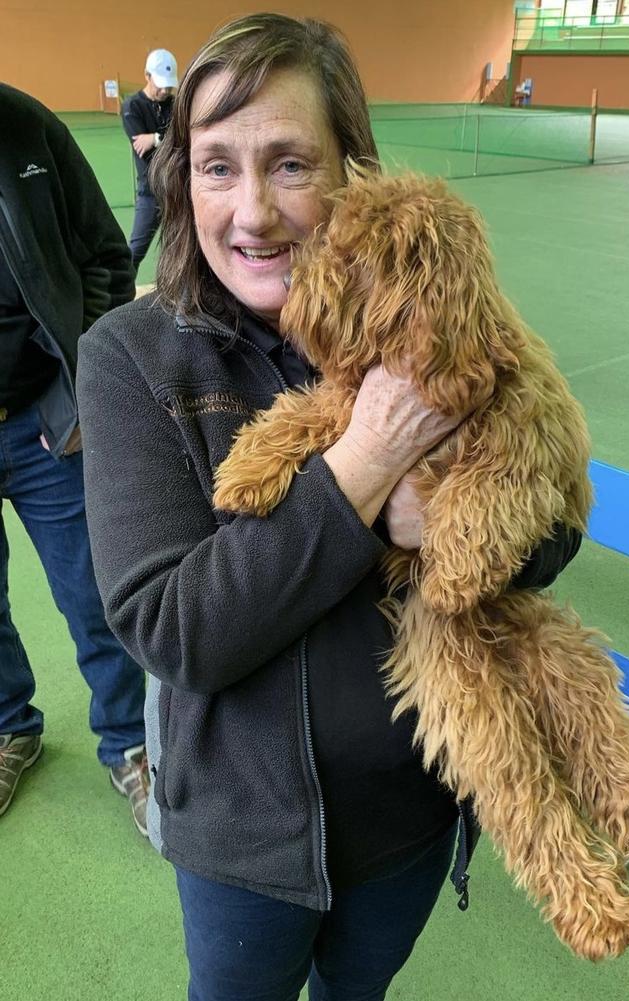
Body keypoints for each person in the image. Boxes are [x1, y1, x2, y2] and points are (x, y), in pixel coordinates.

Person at [77, 14, 582, 1000]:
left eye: (291, 164)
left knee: (360, 989)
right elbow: (175, 627)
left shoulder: (430, 317)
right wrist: (359, 475)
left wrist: (464, 526)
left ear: (354, 170)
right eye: (217, 166)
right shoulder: (132, 356)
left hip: (406, 811)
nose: (252, 210)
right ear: (182, 181)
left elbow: (552, 527)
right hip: (238, 838)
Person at [0, 83, 150, 837]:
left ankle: (132, 743)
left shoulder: (28, 129)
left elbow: (102, 254)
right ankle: (8, 728)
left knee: (94, 592)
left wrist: (83, 382)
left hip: (41, 420)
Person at [121, 48, 177, 272]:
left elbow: (186, 137)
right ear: (147, 76)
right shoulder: (132, 106)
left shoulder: (175, 104)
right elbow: (140, 146)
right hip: (150, 191)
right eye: (160, 84)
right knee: (135, 252)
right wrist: (169, 139)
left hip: (177, 188)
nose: (165, 90)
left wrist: (154, 138)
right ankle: (119, 301)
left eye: (169, 85)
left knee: (184, 249)